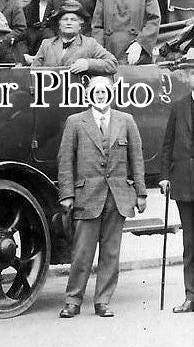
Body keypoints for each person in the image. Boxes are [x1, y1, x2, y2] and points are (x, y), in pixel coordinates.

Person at [57, 75, 147, 318]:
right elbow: (65, 160)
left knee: (111, 253)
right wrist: (66, 194)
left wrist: (141, 193)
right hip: (87, 197)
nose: (100, 95)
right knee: (82, 253)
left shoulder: (126, 120)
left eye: (104, 92)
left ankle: (103, 301)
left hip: (117, 198)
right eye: (96, 92)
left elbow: (136, 159)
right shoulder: (76, 122)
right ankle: (73, 301)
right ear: (89, 94)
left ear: (111, 94)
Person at [159, 47, 194, 313]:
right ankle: (192, 297)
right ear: (187, 76)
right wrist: (164, 177)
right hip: (186, 185)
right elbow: (167, 145)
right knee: (191, 244)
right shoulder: (178, 107)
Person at [31, 1, 116, 75]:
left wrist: (88, 64)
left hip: (78, 91)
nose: (69, 23)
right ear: (59, 25)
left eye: (73, 20)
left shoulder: (90, 44)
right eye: (65, 19)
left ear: (80, 25)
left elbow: (112, 64)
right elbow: (32, 71)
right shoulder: (47, 44)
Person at [18, 0, 63, 64]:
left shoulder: (61, 9)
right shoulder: (26, 10)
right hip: (30, 57)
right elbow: (21, 35)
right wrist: (24, 54)